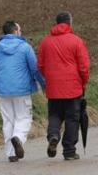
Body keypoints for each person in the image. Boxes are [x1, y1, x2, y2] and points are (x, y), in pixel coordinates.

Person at [0, 21, 46, 162]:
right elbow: (35, 69)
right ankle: (18, 137)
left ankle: (11, 154)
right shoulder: (25, 47)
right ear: (16, 31)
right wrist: (43, 85)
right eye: (20, 29)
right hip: (22, 90)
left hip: (2, 90)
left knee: (8, 120)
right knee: (24, 117)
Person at [38, 12, 90, 161]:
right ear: (69, 23)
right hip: (73, 88)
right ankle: (69, 150)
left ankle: (53, 135)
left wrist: (49, 77)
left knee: (54, 115)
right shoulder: (76, 41)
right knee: (72, 118)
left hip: (53, 87)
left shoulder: (45, 42)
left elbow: (40, 65)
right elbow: (84, 66)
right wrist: (84, 81)